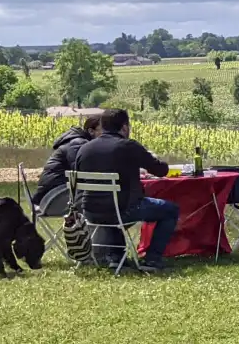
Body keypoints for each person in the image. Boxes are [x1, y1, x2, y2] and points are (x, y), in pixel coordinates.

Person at [72, 107, 179, 270]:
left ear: (103, 126)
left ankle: (116, 257)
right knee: (170, 210)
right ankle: (152, 259)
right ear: (124, 127)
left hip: (91, 210)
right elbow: (161, 170)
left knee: (112, 203)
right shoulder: (128, 146)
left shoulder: (85, 149)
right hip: (122, 210)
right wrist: (154, 157)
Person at [35, 111, 100, 205]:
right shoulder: (78, 143)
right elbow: (81, 171)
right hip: (55, 194)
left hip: (53, 190)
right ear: (91, 131)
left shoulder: (77, 141)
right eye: (103, 130)